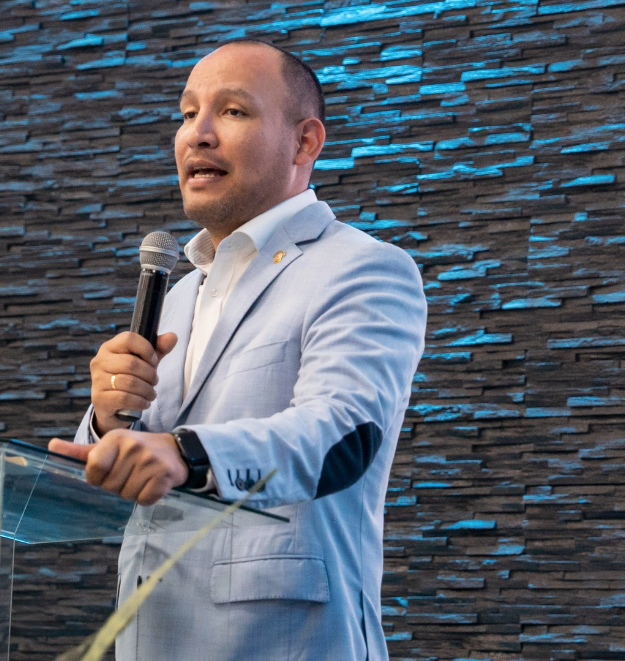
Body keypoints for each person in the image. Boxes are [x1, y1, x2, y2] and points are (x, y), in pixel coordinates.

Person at [48, 39, 427, 661]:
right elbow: (139, 468)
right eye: (187, 112)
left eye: (231, 111)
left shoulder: (362, 269)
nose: (196, 134)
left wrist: (185, 452)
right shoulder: (177, 294)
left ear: (305, 142)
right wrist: (109, 419)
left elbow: (341, 434)